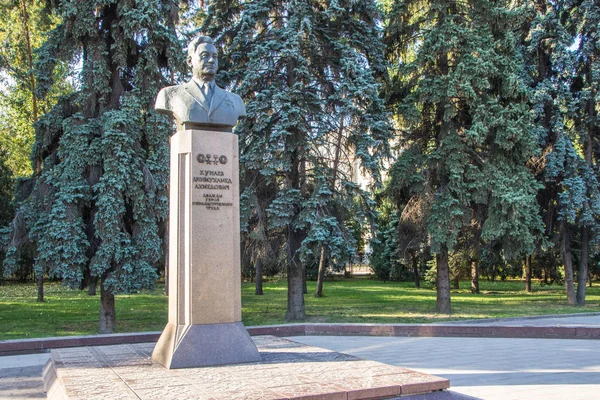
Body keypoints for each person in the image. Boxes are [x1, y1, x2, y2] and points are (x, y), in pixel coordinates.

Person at [155, 36, 246, 130]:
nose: (211, 60)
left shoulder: (236, 101)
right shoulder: (170, 94)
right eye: (205, 55)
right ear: (190, 61)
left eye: (214, 57)